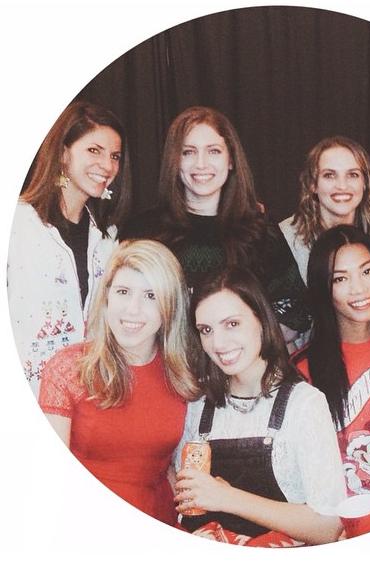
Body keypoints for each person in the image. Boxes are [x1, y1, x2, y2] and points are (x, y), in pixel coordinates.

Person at [174, 267, 346, 547]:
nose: (218, 343)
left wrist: (227, 498)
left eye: (232, 324)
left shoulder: (304, 404)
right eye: (206, 330)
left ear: (262, 320)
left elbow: (328, 527)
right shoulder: (198, 405)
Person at [38, 240, 200, 525]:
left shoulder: (181, 373)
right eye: (123, 292)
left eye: (151, 295)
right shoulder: (69, 368)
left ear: (169, 307)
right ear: (107, 297)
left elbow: (168, 469)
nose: (132, 310)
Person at [120, 106, 310, 344]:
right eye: (188, 152)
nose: (201, 164)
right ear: (174, 161)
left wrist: (236, 348)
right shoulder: (143, 232)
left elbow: (296, 310)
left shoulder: (260, 230)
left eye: (213, 151)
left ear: (231, 160)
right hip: (164, 365)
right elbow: (121, 308)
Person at [293, 225, 370, 524]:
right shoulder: (302, 370)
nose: (359, 288)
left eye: (367, 271)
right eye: (340, 278)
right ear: (323, 289)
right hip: (346, 523)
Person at [8, 100, 132, 396]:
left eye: (114, 156)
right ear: (63, 154)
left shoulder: (107, 239)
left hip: (86, 398)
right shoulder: (18, 223)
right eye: (94, 150)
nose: (107, 166)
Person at [279, 136, 370, 309]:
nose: (342, 186)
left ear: (365, 183)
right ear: (313, 185)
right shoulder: (285, 238)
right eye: (329, 175)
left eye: (352, 175)